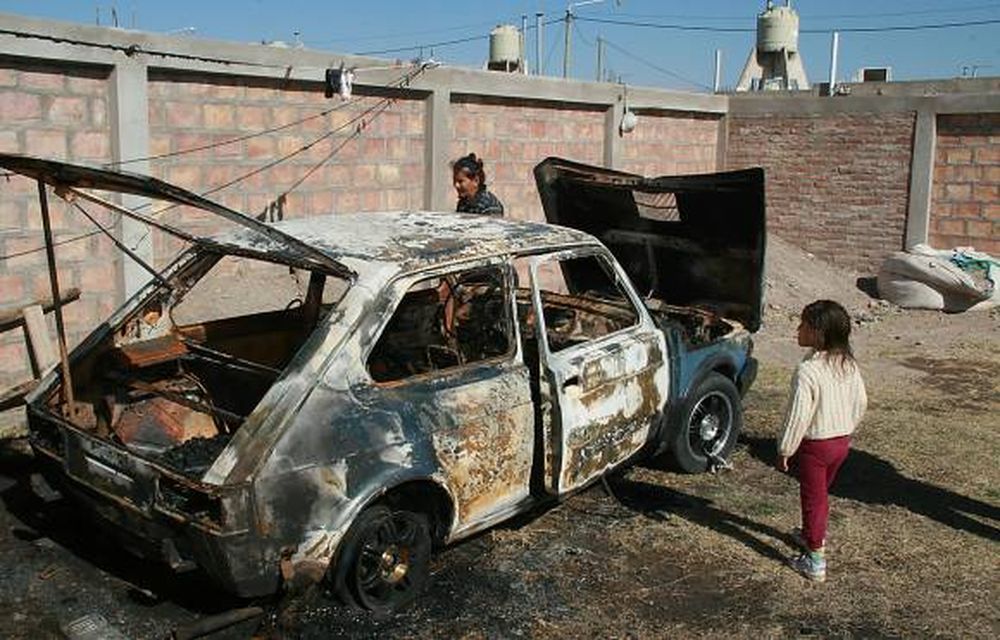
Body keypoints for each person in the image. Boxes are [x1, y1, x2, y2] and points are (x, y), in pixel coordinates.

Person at [777, 299, 867, 583]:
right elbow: (861, 401)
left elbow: (797, 415)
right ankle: (808, 534)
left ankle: (815, 558)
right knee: (820, 494)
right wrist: (847, 427)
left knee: (814, 499)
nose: (797, 329)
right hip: (841, 443)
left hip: (816, 447)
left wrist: (785, 449)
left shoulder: (808, 371)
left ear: (817, 332)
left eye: (802, 324)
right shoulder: (847, 364)